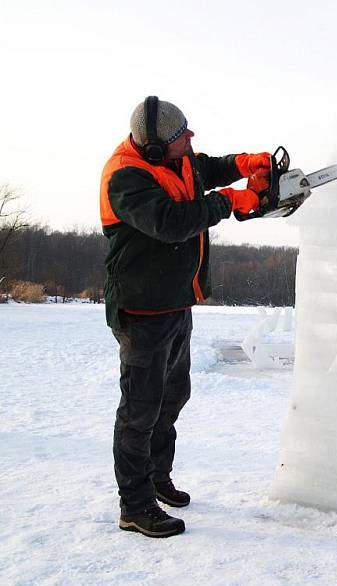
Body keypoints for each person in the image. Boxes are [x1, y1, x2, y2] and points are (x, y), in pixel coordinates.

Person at [99, 96, 281, 538]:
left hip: (175, 303)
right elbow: (171, 222)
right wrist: (230, 202)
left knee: (172, 397)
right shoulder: (126, 177)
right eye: (182, 135)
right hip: (142, 310)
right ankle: (135, 506)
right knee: (140, 410)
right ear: (158, 145)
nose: (191, 139)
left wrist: (244, 163)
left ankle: (158, 477)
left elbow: (207, 167)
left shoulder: (176, 161)